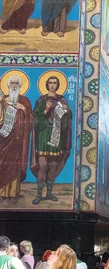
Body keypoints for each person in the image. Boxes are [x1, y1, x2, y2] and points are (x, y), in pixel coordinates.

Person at [30, 75, 72, 205]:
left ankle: (49, 193)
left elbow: (68, 121)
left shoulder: (62, 100)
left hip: (57, 137)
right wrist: (46, 109)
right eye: (50, 83)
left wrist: (66, 112)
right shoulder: (41, 100)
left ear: (57, 85)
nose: (52, 85)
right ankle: (38, 195)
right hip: (43, 136)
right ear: (47, 85)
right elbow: (35, 120)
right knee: (42, 166)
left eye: (55, 83)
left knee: (53, 166)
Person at [0, 75, 33, 203]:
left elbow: (31, 120)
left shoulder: (25, 101)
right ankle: (2, 193)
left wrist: (23, 109)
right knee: (2, 165)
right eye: (12, 83)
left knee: (15, 165)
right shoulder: (4, 100)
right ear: (8, 85)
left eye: (16, 83)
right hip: (3, 138)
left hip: (17, 138)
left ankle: (13, 194)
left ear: (19, 86)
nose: (14, 85)